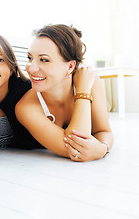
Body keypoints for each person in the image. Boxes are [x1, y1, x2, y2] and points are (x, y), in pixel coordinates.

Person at [15, 24, 114, 162]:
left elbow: (104, 131)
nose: (31, 68)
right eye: (29, 57)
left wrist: (104, 148)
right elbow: (76, 149)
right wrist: (83, 92)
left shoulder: (90, 81)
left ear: (70, 66)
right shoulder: (26, 107)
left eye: (44, 60)